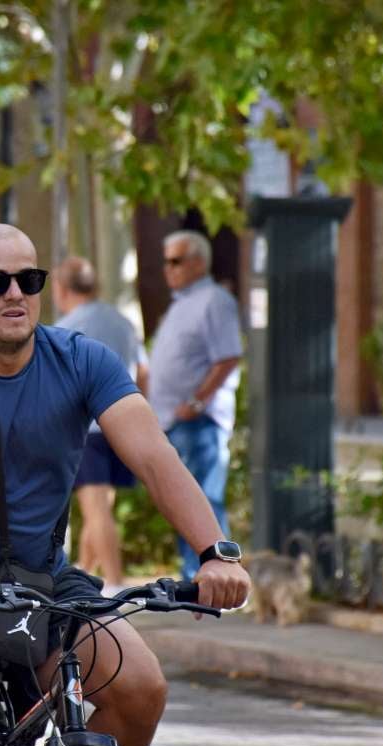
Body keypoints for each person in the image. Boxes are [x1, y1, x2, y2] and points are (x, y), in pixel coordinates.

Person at [0, 223, 250, 746]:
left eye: (29, 279)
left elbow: (154, 457)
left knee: (142, 689)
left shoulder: (81, 360)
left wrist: (214, 552)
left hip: (44, 583)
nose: (15, 294)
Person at [148, 230, 243, 581]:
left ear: (199, 262)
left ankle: (218, 579)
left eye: (175, 260)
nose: (167, 269)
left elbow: (229, 356)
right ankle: (194, 578)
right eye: (166, 261)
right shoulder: (182, 302)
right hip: (174, 422)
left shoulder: (214, 299)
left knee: (204, 500)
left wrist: (196, 401)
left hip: (199, 423)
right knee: (181, 503)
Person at [52, 256, 148, 593]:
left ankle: (115, 583)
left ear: (61, 289)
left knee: (94, 509)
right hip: (121, 425)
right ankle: (85, 571)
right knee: (101, 507)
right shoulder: (124, 323)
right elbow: (143, 373)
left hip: (87, 429)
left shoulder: (65, 327)